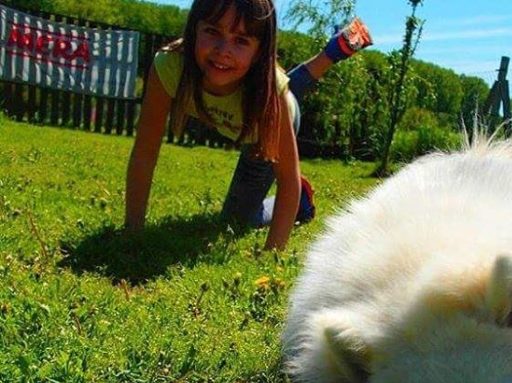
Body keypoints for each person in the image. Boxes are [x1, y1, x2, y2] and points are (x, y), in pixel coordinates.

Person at [124, 0, 372, 250]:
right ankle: (334, 49)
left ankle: (301, 204)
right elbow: (144, 153)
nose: (223, 50)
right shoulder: (170, 66)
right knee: (282, 85)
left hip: (271, 117)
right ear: (193, 29)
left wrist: (272, 256)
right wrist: (133, 231)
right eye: (212, 31)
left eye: (241, 40)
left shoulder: (274, 97)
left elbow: (287, 181)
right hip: (261, 92)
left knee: (238, 218)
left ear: (260, 52)